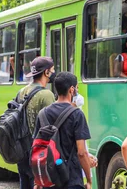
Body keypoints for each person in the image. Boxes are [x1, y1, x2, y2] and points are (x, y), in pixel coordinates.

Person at [33, 72, 94, 189]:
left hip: (49, 179)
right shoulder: (77, 115)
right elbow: (81, 153)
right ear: (71, 89)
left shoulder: (42, 114)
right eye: (76, 87)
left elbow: (36, 148)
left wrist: (38, 181)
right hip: (71, 180)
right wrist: (89, 180)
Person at [16, 56, 56, 189]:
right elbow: (53, 125)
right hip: (37, 152)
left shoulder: (21, 92)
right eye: (52, 70)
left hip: (21, 151)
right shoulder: (46, 95)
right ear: (46, 72)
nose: (53, 72)